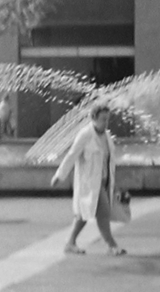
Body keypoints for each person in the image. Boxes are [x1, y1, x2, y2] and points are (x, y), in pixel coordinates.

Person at [51, 103, 126, 256]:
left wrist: (114, 184)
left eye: (107, 120)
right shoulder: (85, 135)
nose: (105, 123)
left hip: (103, 182)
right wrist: (60, 175)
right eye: (103, 119)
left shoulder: (107, 137)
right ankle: (111, 245)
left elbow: (109, 162)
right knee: (101, 212)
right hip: (90, 183)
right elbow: (72, 155)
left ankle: (70, 243)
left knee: (84, 215)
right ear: (93, 118)